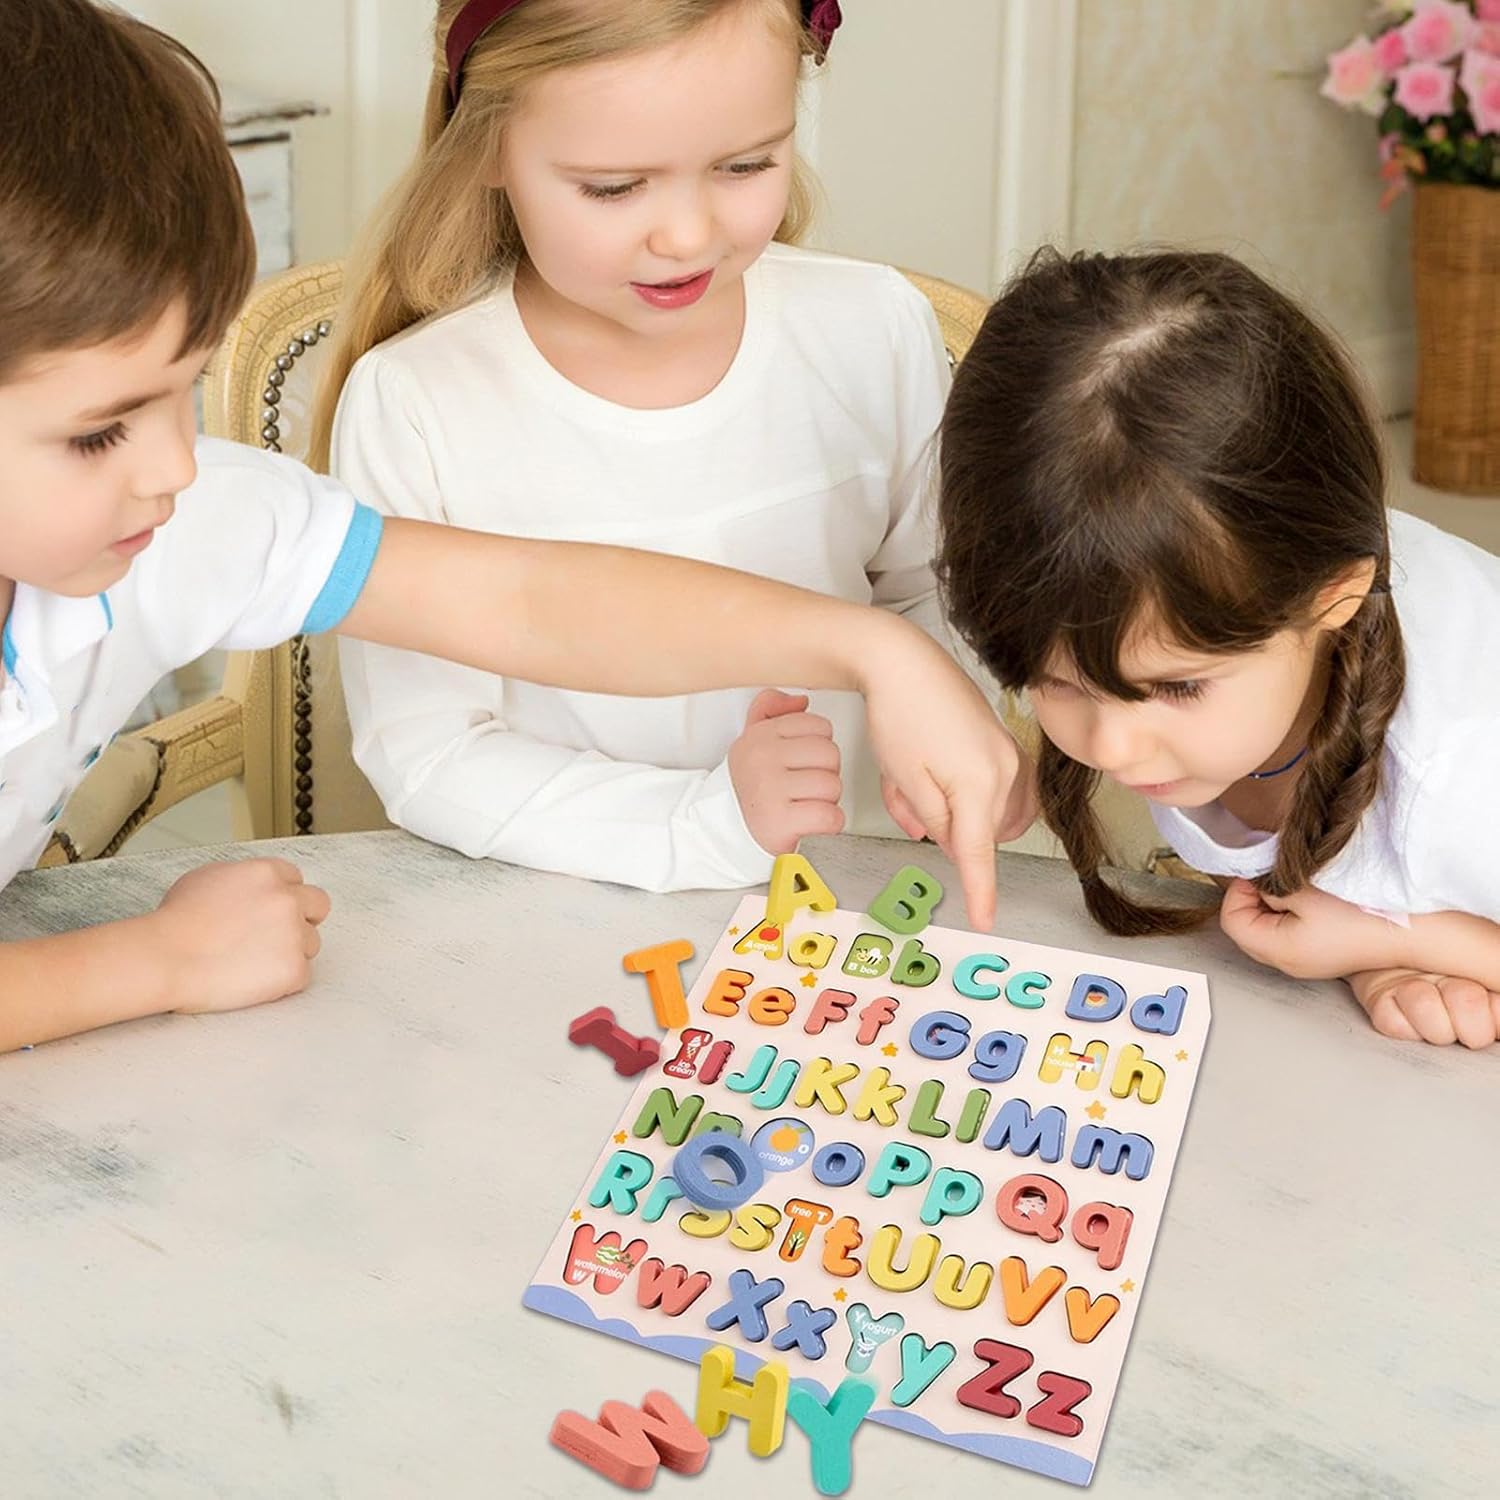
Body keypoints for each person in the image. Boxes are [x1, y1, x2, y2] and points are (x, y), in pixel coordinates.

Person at [0, 0, 1027, 1052]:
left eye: (182, 393)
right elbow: (440, 741)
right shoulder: (412, 402)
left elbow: (532, 600)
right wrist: (156, 962)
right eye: (96, 433)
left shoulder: (197, 519)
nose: (176, 466)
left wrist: (884, 654)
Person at [311, 0, 1010, 891]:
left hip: (865, 897)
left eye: (746, 165)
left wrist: (961, 730)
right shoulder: (417, 401)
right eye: (614, 187)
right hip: (564, 909)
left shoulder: (872, 329)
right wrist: (707, 824)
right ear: (484, 148)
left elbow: (940, 593)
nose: (687, 236)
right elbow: (430, 753)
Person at [937, 247, 1500, 1048]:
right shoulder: (1233, 607)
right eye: (1057, 681)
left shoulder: (1467, 776)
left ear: (1334, 596)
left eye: (1178, 687)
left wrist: (1404, 941)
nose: (1113, 749)